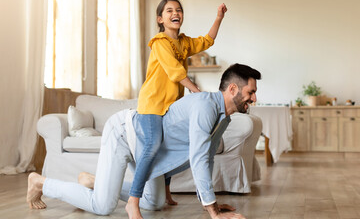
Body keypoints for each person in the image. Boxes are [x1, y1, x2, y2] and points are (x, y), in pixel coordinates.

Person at [27, 63, 261, 219]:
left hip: (147, 150)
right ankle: (40, 183)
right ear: (233, 89)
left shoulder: (223, 118)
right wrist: (212, 212)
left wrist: (210, 202)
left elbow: (207, 158)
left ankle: (95, 181)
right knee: (103, 206)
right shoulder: (205, 106)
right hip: (123, 134)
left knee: (153, 202)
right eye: (250, 92)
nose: (254, 98)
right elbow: (198, 157)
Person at [128, 0, 227, 218]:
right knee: (153, 145)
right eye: (170, 10)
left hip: (171, 107)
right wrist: (196, 91)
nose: (176, 13)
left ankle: (166, 191)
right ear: (160, 19)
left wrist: (219, 17)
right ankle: (133, 201)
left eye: (179, 10)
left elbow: (207, 41)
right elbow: (176, 72)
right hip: (152, 105)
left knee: (169, 146)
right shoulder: (160, 42)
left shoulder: (183, 42)